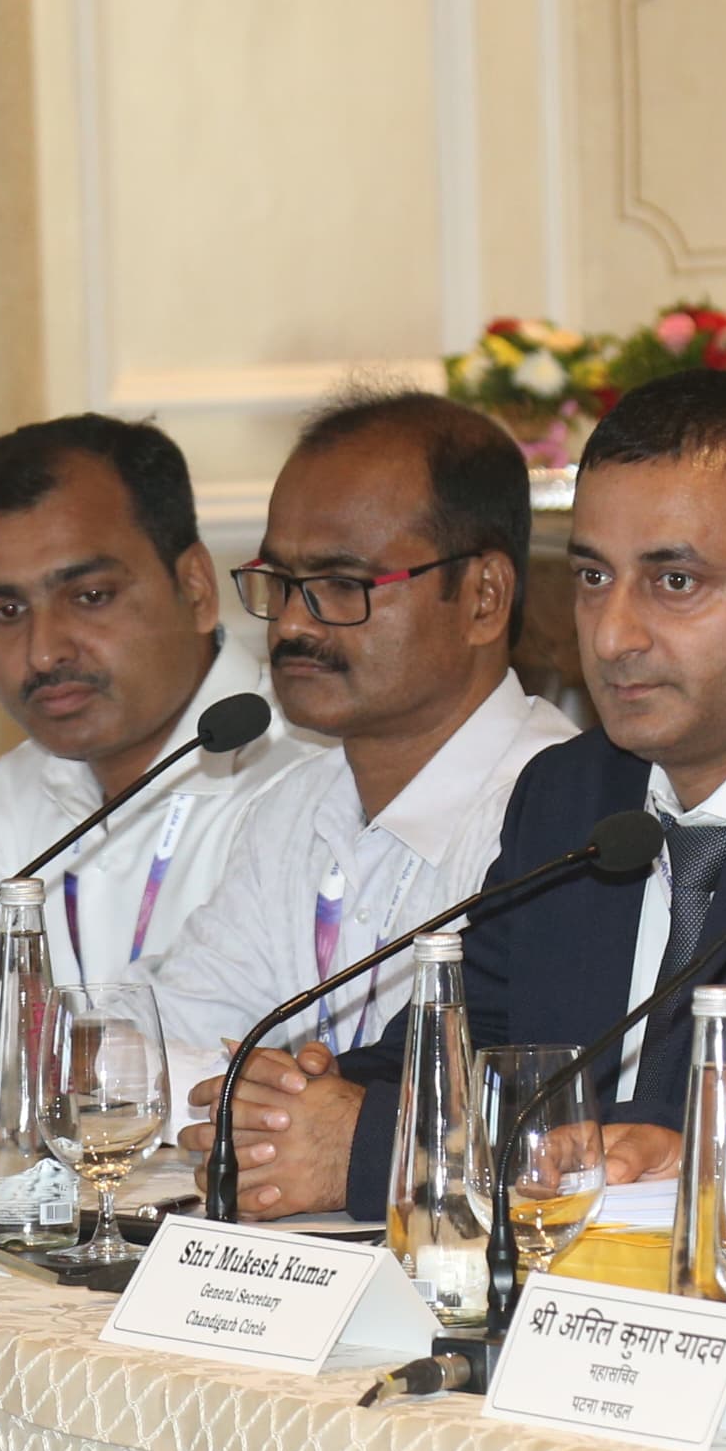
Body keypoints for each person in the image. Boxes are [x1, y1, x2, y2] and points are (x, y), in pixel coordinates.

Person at [212, 368, 726, 1222]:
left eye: (675, 582)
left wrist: (372, 1145)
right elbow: (460, 1050)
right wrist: (297, 1105)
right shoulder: (572, 793)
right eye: (594, 578)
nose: (612, 636)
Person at [0, 412, 320, 1147]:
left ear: (196, 588)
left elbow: (220, 1050)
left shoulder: (303, 775)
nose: (43, 651)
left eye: (89, 597)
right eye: (6, 610)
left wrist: (6, 1062)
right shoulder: (28, 780)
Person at [147, 391, 569, 1142]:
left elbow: (499, 1109)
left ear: (483, 597)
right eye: (279, 580)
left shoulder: (557, 815)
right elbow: (175, 1028)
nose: (293, 622)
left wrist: (266, 1101)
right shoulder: (291, 806)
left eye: (343, 585)